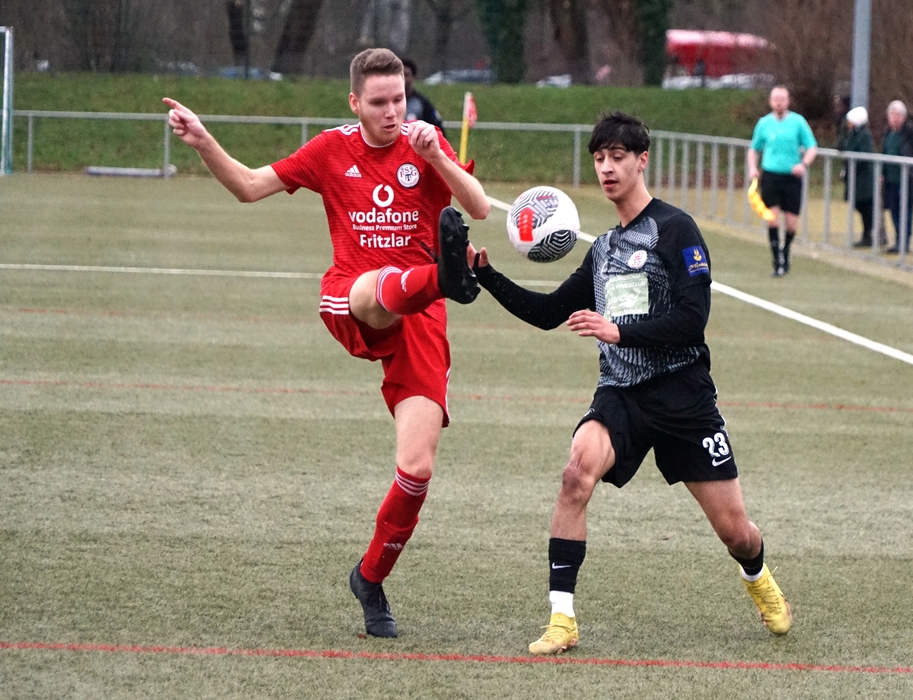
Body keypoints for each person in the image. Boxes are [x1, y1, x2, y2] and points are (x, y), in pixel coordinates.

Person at [162, 47, 490, 639]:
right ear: (354, 103)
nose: (393, 112)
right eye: (379, 102)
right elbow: (249, 186)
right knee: (374, 291)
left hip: (422, 319)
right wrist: (204, 140)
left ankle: (369, 578)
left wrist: (437, 158)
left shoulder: (425, 143)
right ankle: (444, 275)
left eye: (399, 100)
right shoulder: (329, 149)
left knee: (416, 472)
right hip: (353, 297)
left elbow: (480, 207)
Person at [467, 111, 792, 656]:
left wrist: (620, 330)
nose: (607, 168)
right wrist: (485, 274)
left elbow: (693, 318)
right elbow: (548, 313)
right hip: (621, 395)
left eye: (618, 157)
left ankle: (758, 577)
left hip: (684, 396)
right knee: (575, 475)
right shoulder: (602, 250)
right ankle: (562, 619)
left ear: (642, 161)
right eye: (599, 158)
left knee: (736, 532)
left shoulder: (675, 229)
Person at [747, 86, 818, 277]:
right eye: (776, 99)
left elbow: (812, 147)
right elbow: (754, 149)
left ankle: (786, 250)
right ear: (771, 102)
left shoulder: (798, 122)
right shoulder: (764, 123)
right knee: (772, 218)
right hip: (771, 175)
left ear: (788, 101)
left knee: (791, 222)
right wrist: (753, 168)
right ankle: (776, 259)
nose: (779, 102)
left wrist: (803, 164)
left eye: (782, 99)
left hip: (792, 177)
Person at [882, 100, 913, 254]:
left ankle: (904, 242)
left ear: (903, 117)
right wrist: (882, 173)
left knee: (905, 210)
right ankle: (898, 239)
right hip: (891, 179)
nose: (894, 119)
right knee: (893, 209)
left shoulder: (911, 132)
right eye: (892, 115)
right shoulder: (888, 133)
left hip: (906, 180)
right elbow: (884, 153)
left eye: (897, 115)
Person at [837, 106, 877, 248]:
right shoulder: (851, 134)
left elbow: (864, 154)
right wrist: (843, 135)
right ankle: (867, 234)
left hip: (863, 177)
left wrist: (853, 162)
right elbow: (840, 147)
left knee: (865, 205)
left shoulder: (865, 135)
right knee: (858, 204)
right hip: (854, 176)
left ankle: (868, 235)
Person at [402, 58, 445, 135]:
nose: (403, 78)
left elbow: (438, 130)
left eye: (406, 75)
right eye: (400, 75)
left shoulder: (422, 103)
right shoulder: (387, 101)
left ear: (413, 77)